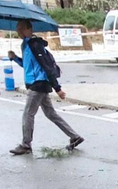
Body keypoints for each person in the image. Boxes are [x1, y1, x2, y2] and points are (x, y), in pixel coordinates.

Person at [8, 19, 83, 155]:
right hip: (37, 83)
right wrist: (15, 58)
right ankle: (74, 136)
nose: (17, 31)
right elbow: (27, 65)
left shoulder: (35, 45)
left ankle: (26, 145)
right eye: (17, 28)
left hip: (38, 83)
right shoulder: (26, 45)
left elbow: (47, 66)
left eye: (20, 28)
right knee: (50, 113)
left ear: (28, 30)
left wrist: (57, 88)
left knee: (28, 114)